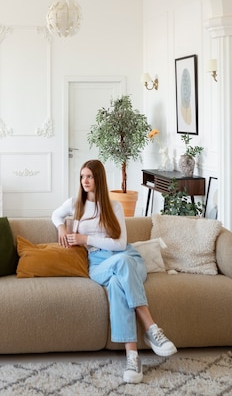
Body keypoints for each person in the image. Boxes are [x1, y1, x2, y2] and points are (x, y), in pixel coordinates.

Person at [51, 159, 177, 384]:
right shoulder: (75, 204)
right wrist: (62, 227)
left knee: (119, 280)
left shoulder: (113, 206)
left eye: (89, 176)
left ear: (98, 178)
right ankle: (151, 328)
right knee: (120, 266)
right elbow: (55, 215)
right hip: (99, 263)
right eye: (82, 177)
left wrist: (84, 238)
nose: (85, 181)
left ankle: (132, 357)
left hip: (129, 258)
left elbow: (120, 245)